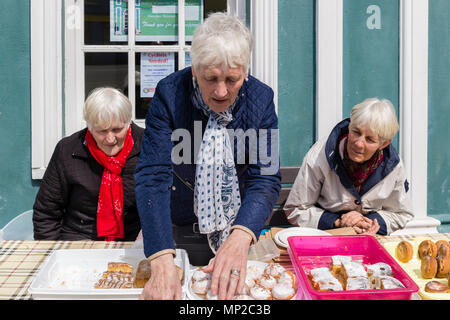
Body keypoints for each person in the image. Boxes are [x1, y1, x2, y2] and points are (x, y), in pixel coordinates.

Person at [135, 12, 281, 300]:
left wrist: (240, 236)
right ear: (194, 69)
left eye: (232, 79)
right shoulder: (168, 94)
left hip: (239, 231)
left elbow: (265, 179)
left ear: (246, 72)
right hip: (177, 233)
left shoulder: (262, 99)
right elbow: (153, 176)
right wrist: (162, 257)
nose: (221, 91)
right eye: (210, 78)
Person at [284, 98, 413, 235]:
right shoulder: (319, 155)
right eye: (356, 132)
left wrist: (369, 223)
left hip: (369, 238)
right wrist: (337, 221)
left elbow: (401, 213)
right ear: (349, 126)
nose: (358, 143)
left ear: (384, 144)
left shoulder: (392, 165)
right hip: (324, 237)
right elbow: (295, 209)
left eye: (369, 139)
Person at [33, 87, 144, 241]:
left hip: (135, 239)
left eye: (117, 130)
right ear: (90, 127)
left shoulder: (147, 146)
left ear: (128, 123)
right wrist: (54, 253)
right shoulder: (68, 149)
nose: (110, 139)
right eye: (102, 131)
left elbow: (165, 204)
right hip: (79, 238)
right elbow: (46, 212)